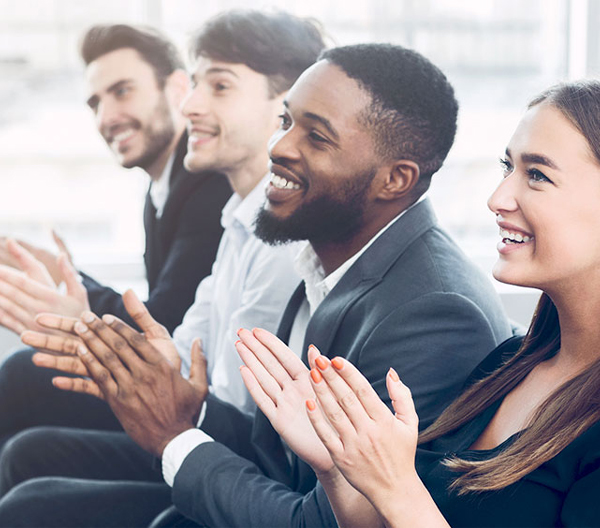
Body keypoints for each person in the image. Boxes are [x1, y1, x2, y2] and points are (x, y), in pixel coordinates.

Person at [0, 43, 511, 527]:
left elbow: (323, 519)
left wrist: (175, 437)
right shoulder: (326, 253)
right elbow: (278, 451)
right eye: (286, 121)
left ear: (394, 180)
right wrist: (188, 404)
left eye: (316, 136)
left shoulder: (434, 313)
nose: (278, 146)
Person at [0, 10, 327, 527]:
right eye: (196, 85)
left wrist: (93, 327)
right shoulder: (235, 218)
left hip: (233, 457)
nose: (191, 105)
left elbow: (235, 406)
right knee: (28, 452)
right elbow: (181, 346)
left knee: (27, 460)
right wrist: (90, 322)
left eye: (218, 87)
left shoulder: (271, 230)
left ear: (288, 109)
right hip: (207, 429)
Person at [250, 79, 600, 528]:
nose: (497, 198)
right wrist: (337, 467)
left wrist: (397, 488)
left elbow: (407, 507)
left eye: (537, 175)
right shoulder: (508, 364)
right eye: (506, 167)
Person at [0, 23, 232, 443]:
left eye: (122, 91)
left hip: (199, 405)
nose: (106, 117)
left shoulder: (207, 185)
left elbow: (162, 322)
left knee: (22, 376)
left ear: (178, 89)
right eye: (95, 102)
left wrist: (64, 280)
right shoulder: (158, 189)